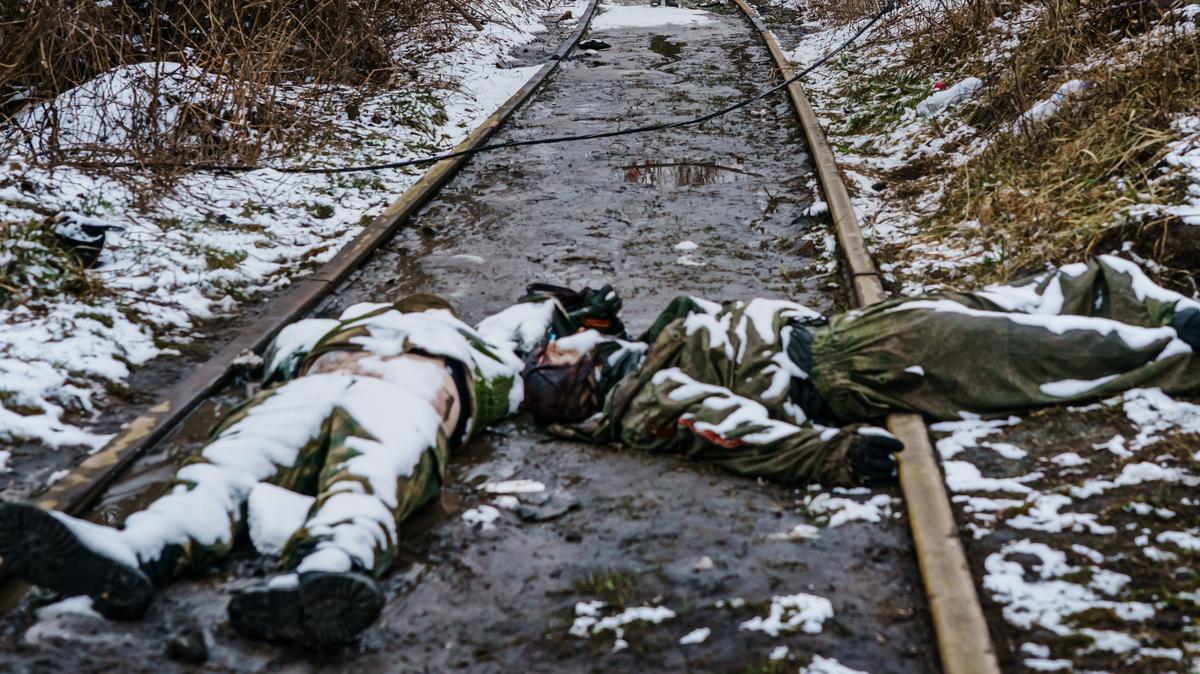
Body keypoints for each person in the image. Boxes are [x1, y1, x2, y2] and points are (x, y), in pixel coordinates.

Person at [0, 255, 1197, 645]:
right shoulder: (554, 377)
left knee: (1050, 302)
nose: (567, 346)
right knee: (231, 472)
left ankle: (312, 566)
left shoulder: (495, 351)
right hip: (837, 364)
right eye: (566, 348)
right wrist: (831, 457)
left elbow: (546, 324)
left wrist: (571, 311)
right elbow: (701, 417)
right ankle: (147, 550)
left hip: (830, 340)